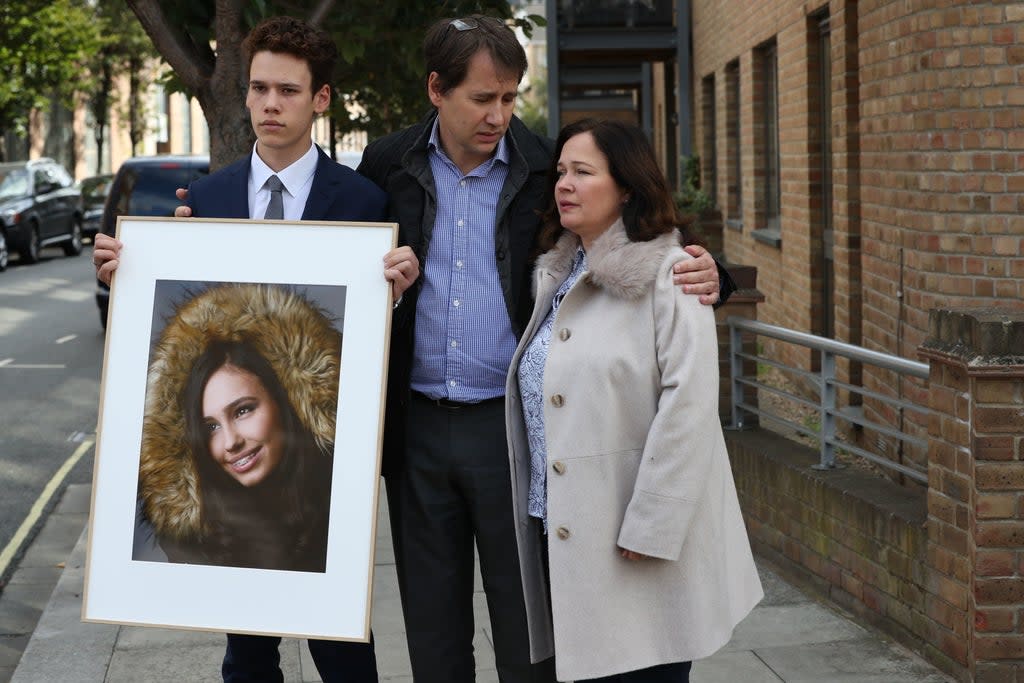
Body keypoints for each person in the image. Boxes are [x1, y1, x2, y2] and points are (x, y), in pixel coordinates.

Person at [355, 16, 732, 683]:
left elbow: (631, 227)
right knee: (432, 632)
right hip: (415, 432)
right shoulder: (388, 164)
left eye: (509, 97)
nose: (499, 114)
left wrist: (715, 274)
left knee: (529, 632)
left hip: (512, 431)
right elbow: (327, 256)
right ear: (436, 90)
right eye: (482, 98)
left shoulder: (538, 167)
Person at [94, 15, 419, 683]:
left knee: (341, 644)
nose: (271, 104)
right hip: (240, 465)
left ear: (320, 100)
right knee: (246, 650)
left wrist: (396, 293)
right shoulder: (207, 198)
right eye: (259, 89)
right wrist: (129, 274)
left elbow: (374, 334)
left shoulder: (364, 204)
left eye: (289, 91)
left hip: (325, 460)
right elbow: (181, 312)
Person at [505, 118, 763, 683]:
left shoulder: (673, 274)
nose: (564, 184)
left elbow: (690, 407)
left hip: (635, 537)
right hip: (564, 529)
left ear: (626, 186)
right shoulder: (557, 271)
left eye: (583, 172)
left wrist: (652, 524)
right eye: (561, 172)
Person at [137, 285, 340, 574]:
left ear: (284, 400)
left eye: (243, 410)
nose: (230, 442)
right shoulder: (195, 535)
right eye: (211, 427)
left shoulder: (343, 489)